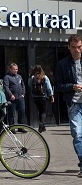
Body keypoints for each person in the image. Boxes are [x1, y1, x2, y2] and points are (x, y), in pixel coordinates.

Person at [55, 34, 82, 178]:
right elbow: (58, 85)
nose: (77, 50)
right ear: (68, 47)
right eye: (74, 47)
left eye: (79, 47)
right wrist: (72, 87)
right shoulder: (62, 64)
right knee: (77, 134)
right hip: (74, 104)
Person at [29, 65, 54, 133]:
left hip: (35, 97)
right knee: (43, 111)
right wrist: (51, 95)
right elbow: (49, 87)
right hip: (43, 96)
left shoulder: (32, 77)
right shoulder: (44, 77)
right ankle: (42, 124)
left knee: (39, 111)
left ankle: (42, 127)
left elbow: (29, 85)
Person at [3, 63, 27, 132]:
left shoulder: (19, 76)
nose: (16, 71)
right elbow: (6, 87)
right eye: (14, 69)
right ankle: (12, 128)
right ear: (10, 69)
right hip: (12, 98)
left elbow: (23, 85)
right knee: (11, 113)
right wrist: (10, 95)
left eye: (16, 69)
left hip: (20, 97)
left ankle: (21, 127)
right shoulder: (7, 77)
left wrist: (23, 93)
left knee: (22, 112)